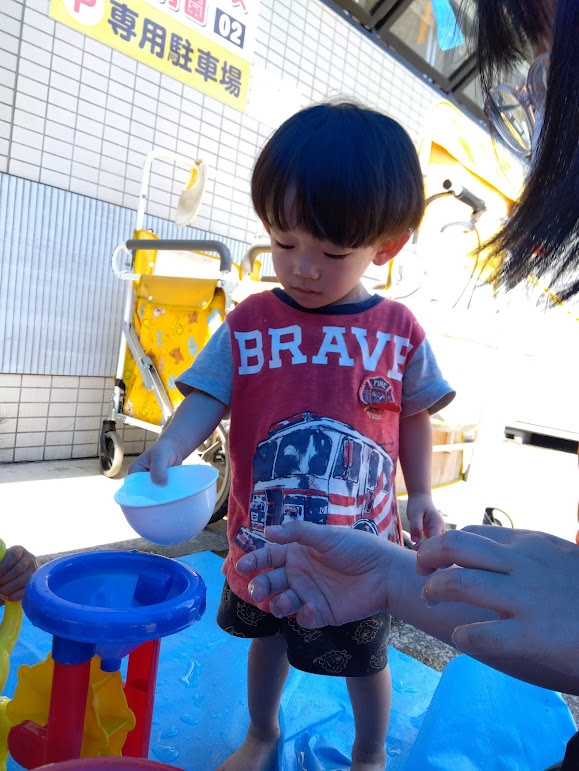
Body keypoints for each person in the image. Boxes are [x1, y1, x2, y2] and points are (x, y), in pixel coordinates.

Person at [130, 102, 455, 771]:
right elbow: (206, 395)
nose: (303, 266)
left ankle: (368, 752)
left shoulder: (396, 330)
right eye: (283, 242)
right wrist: (170, 445)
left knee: (367, 660)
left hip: (361, 557)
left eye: (331, 251)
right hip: (264, 542)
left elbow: (416, 413)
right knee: (266, 641)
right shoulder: (251, 319)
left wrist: (419, 491)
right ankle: (261, 732)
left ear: (384, 247)